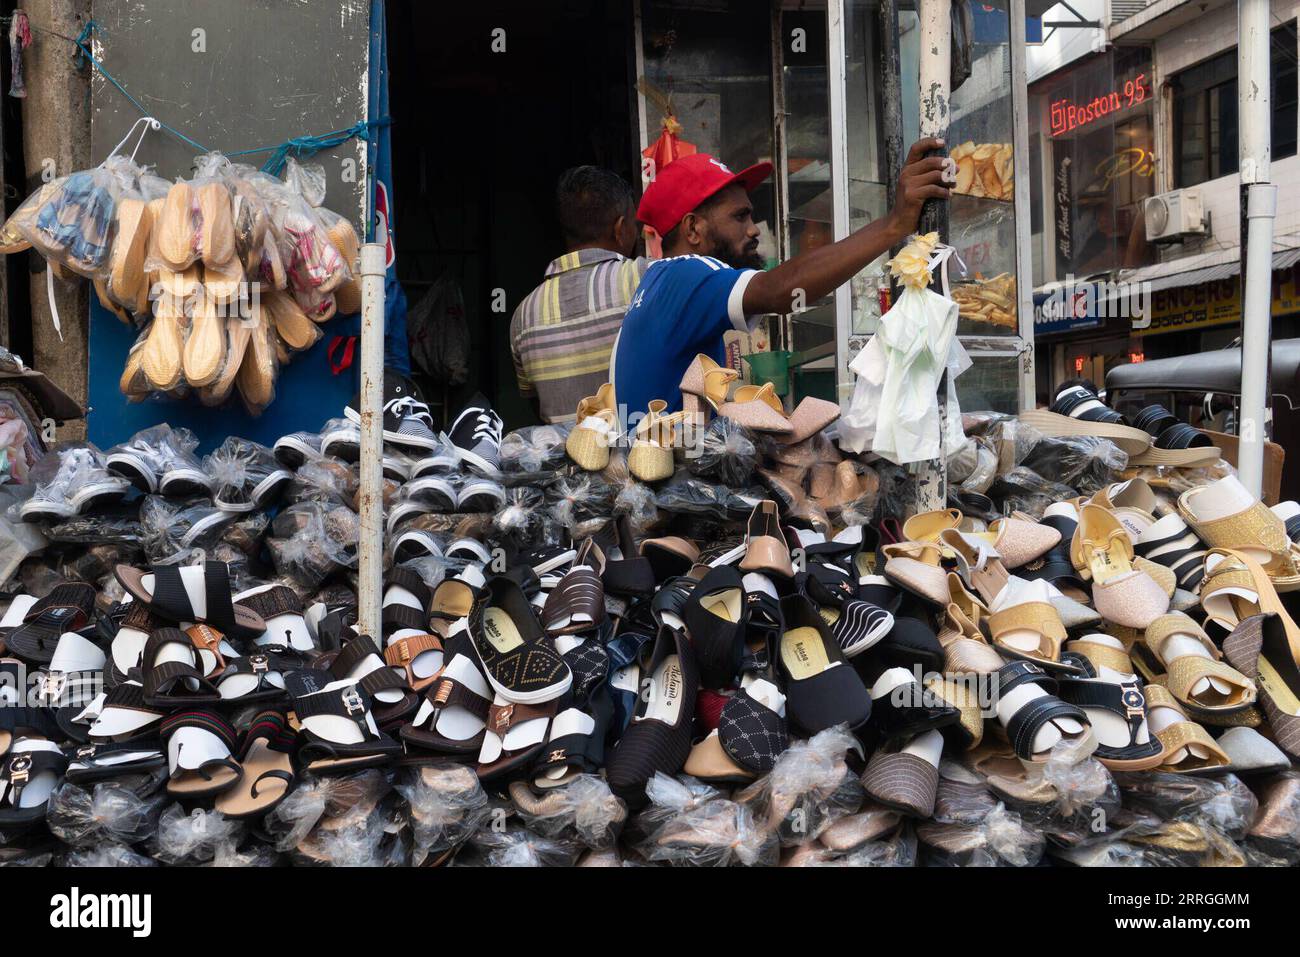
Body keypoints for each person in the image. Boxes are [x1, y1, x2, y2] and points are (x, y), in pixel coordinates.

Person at [612, 139, 955, 416]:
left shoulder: (658, 281)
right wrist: (894, 224)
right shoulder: (687, 273)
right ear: (693, 228)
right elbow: (778, 291)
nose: (753, 230)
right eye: (740, 217)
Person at [510, 166, 649, 423]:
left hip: (566, 460)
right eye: (634, 224)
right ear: (620, 229)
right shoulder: (644, 278)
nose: (638, 232)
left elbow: (536, 404)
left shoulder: (523, 315)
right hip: (647, 459)